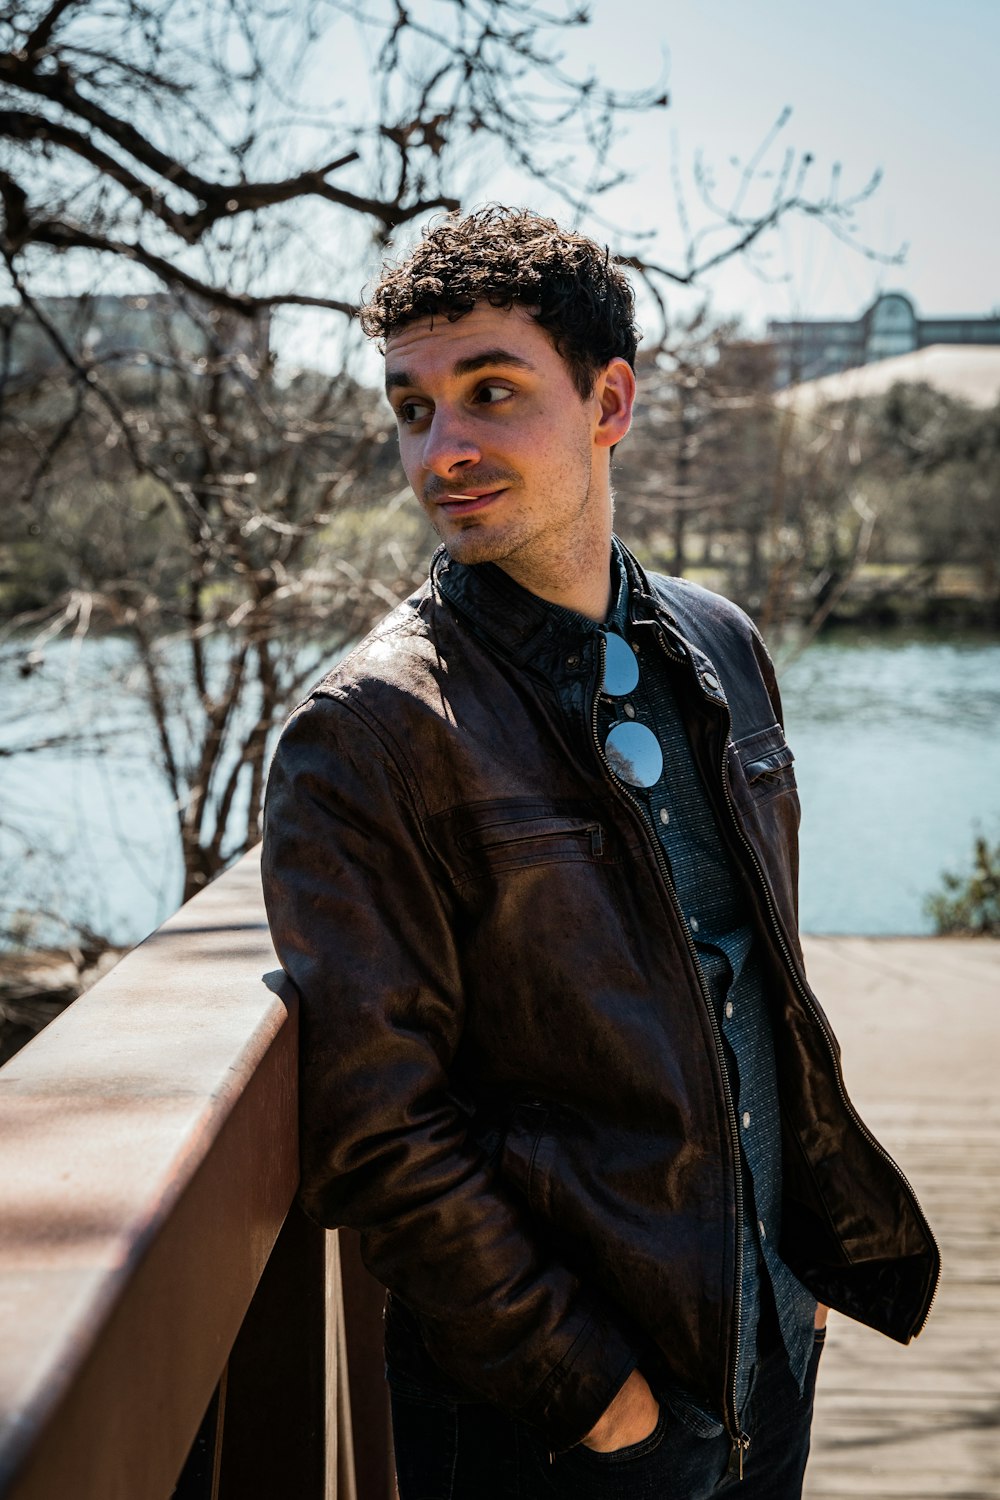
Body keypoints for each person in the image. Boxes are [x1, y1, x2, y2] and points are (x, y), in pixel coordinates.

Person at [261, 207, 938, 1499]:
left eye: (492, 393)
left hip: (767, 1361)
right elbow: (379, 1133)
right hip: (563, 1431)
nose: (441, 449)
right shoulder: (369, 734)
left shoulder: (721, 644)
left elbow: (757, 978)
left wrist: (795, 1273)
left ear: (608, 400)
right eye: (412, 408)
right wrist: (593, 1392)